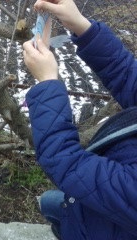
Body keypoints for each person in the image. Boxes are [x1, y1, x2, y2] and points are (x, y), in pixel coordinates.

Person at [23, 0, 137, 239]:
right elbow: (128, 77)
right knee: (53, 202)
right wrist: (81, 26)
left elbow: (65, 161)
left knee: (57, 207)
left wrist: (47, 83)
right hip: (98, 205)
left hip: (101, 229)